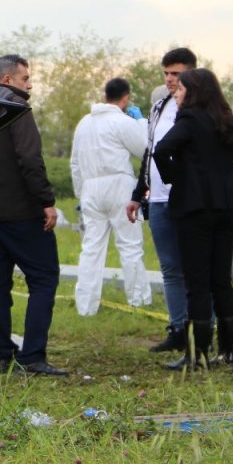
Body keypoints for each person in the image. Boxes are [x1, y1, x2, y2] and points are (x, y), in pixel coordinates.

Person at [0, 55, 66, 376]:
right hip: (20, 211)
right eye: (25, 78)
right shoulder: (16, 108)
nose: (30, 84)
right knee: (44, 277)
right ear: (7, 80)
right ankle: (33, 356)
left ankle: (2, 356)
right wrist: (46, 201)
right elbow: (29, 158)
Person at [153, 69, 233, 369]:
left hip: (193, 210)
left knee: (196, 282)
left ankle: (196, 354)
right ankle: (227, 351)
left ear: (194, 91)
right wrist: (230, 182)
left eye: (181, 87)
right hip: (224, 209)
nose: (177, 92)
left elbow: (162, 149)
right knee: (221, 281)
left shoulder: (189, 119)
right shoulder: (225, 119)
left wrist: (176, 177)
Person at [126, 48, 197, 353]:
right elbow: (149, 151)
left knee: (194, 265)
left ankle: (201, 327)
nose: (170, 79)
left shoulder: (200, 107)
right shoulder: (159, 106)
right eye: (166, 73)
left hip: (189, 199)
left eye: (176, 74)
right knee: (169, 268)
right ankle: (178, 327)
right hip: (157, 199)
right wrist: (137, 193)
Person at [70, 77, 151, 315]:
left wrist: (80, 194)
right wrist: (142, 122)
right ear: (125, 98)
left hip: (90, 189)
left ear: (105, 95)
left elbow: (75, 163)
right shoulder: (121, 121)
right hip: (120, 185)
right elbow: (145, 148)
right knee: (130, 245)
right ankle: (138, 300)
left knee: (91, 248)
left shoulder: (84, 123)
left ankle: (85, 306)